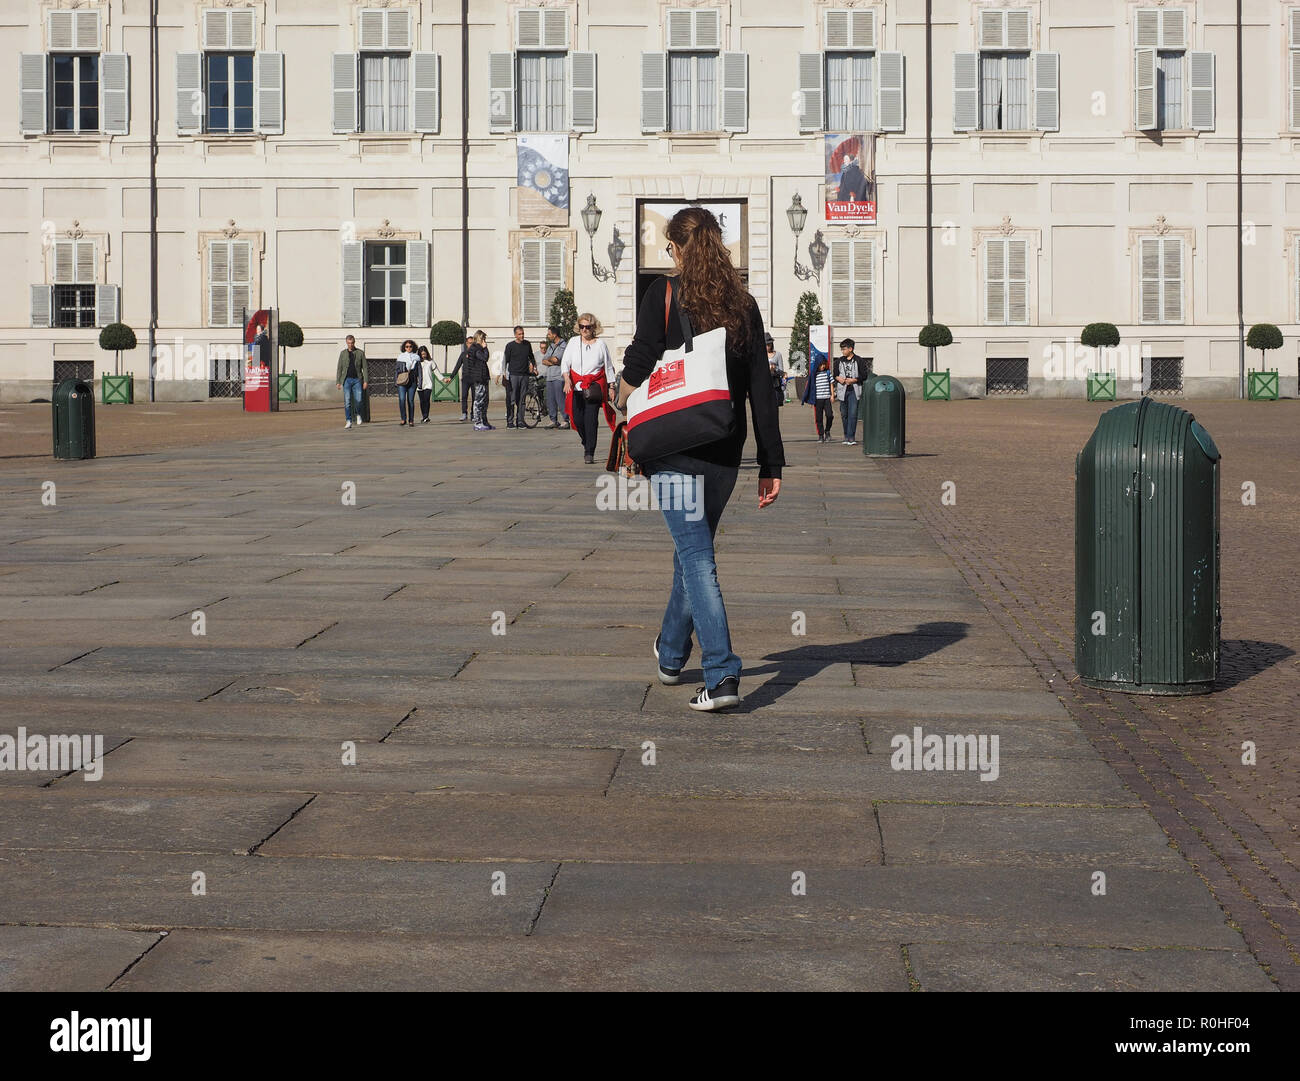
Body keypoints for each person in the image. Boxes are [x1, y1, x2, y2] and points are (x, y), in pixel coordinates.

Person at [617, 207, 784, 712]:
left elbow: (640, 361)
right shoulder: (744, 304)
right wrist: (770, 464)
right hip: (724, 450)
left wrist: (620, 406)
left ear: (676, 248)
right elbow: (762, 390)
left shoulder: (663, 294)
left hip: (672, 447)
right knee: (691, 552)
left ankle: (721, 673)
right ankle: (671, 654)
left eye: (670, 248)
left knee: (696, 557)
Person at [562, 312, 615, 464]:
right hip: (576, 386)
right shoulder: (573, 342)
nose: (584, 330)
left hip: (593, 388)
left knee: (591, 420)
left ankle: (589, 452)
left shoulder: (601, 344)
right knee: (578, 420)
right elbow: (565, 363)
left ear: (593, 328)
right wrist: (566, 379)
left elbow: (608, 366)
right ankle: (586, 441)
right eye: (581, 327)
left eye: (587, 327)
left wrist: (611, 386)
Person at [833, 338, 868, 446]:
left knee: (853, 414)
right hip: (842, 390)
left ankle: (851, 437)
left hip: (854, 390)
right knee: (844, 414)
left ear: (850, 349)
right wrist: (838, 378)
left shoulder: (859, 360)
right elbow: (834, 374)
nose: (842, 351)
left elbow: (864, 375)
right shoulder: (839, 361)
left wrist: (854, 380)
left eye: (844, 349)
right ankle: (846, 436)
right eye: (842, 349)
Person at [502, 325, 537, 429]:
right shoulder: (510, 346)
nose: (522, 336)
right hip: (513, 375)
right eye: (519, 334)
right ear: (515, 335)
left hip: (524, 375)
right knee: (511, 399)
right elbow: (505, 361)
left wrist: (534, 366)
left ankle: (520, 421)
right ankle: (510, 421)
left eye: (523, 334)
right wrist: (504, 375)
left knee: (522, 400)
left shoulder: (527, 344)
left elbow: (531, 356)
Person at [335, 334, 367, 430]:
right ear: (346, 343)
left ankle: (358, 414)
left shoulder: (360, 353)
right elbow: (339, 367)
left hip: (357, 379)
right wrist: (338, 381)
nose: (350, 345)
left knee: (359, 400)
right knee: (347, 401)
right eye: (349, 343)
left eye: (352, 343)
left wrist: (365, 381)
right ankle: (348, 420)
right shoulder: (343, 353)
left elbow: (364, 368)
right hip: (346, 380)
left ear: (354, 342)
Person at [540, 325, 569, 428]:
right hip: (550, 376)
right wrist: (552, 361)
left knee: (560, 399)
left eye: (549, 334)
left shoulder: (563, 345)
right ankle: (553, 420)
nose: (548, 336)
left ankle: (566, 419)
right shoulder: (551, 346)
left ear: (554, 334)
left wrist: (551, 360)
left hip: (559, 376)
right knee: (550, 399)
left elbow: (557, 359)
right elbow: (544, 360)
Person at [802, 352, 834, 442]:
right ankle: (821, 435)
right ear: (817, 365)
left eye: (824, 364)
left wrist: (832, 395)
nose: (823, 366)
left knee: (830, 415)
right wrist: (812, 400)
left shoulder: (827, 373)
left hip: (827, 398)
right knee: (818, 418)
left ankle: (827, 431)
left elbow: (831, 384)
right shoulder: (814, 375)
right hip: (818, 399)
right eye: (821, 365)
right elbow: (811, 387)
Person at [465, 331, 493, 430]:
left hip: (483, 376)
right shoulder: (475, 349)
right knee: (479, 400)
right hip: (478, 377)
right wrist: (485, 348)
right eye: (483, 339)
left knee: (485, 400)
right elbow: (485, 358)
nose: (485, 341)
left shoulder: (478, 348)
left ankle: (484, 421)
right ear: (479, 339)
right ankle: (477, 422)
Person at [449, 335, 474, 421]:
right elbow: (457, 366)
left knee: (475, 397)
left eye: (473, 343)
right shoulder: (463, 354)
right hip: (465, 378)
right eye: (470, 343)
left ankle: (473, 414)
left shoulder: (477, 354)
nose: (471, 345)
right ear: (467, 344)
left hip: (474, 378)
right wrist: (451, 377)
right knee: (464, 396)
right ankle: (464, 413)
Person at [396, 339, 419, 427]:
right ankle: (403, 418)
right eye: (407, 347)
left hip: (412, 380)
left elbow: (419, 371)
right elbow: (397, 370)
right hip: (402, 380)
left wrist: (419, 381)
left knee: (411, 401)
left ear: (413, 347)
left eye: (410, 346)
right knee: (402, 399)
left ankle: (411, 420)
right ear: (404, 348)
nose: (408, 348)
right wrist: (396, 381)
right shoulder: (401, 356)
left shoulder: (416, 357)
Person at [765, 333, 786, 407]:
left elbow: (782, 371)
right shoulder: (761, 355)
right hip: (764, 384)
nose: (767, 347)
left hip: (775, 384)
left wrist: (775, 368)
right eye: (766, 345)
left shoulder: (778, 354)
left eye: (769, 344)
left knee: (775, 405)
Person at [416, 345, 435, 424]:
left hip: (428, 384)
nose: (423, 355)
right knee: (422, 401)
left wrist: (443, 379)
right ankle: (424, 415)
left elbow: (436, 371)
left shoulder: (430, 362)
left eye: (425, 354)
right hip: (420, 385)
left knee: (427, 400)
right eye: (422, 354)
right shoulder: (417, 362)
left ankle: (426, 416)